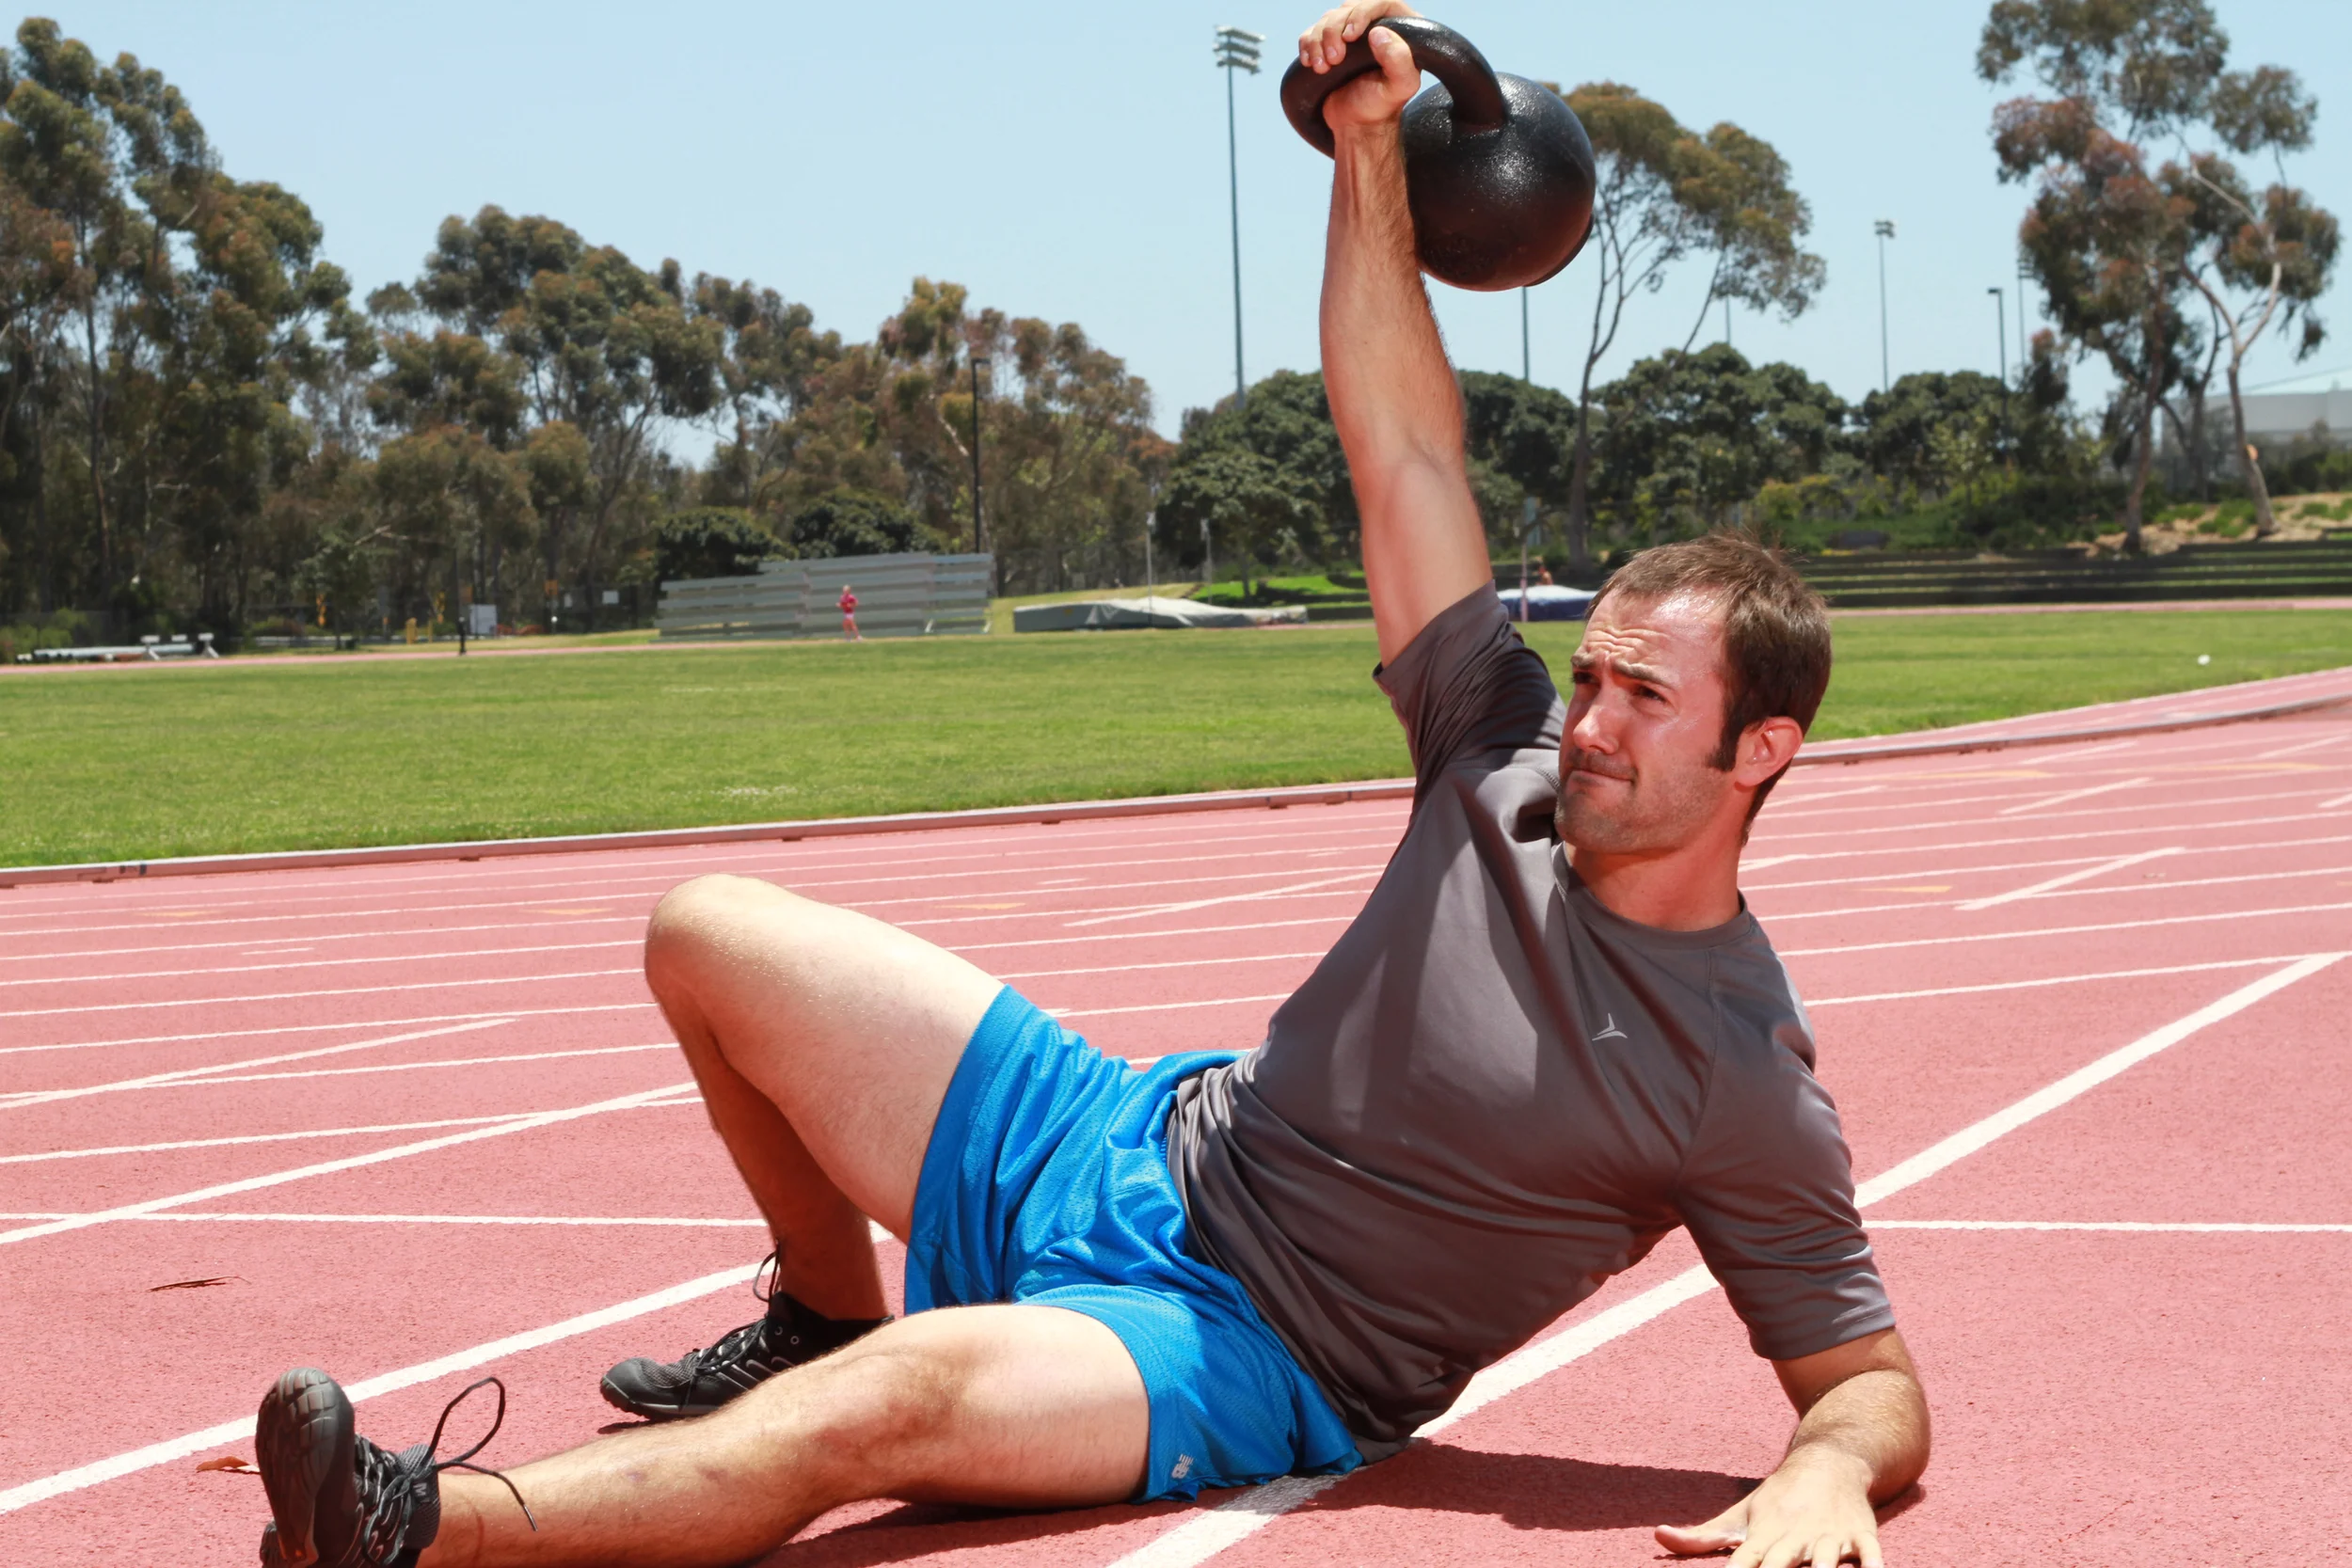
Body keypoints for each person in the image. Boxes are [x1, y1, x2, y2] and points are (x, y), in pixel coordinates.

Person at [245, 7, 1927, 1566]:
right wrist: (1365, 151)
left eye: (1646, 695)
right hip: (1122, 1135)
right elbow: (1404, 451)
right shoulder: (1495, 753)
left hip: (1240, 1342)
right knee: (706, 929)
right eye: (1593, 674)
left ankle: (413, 1524)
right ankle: (823, 1300)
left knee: (871, 1417)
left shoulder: (1734, 1070)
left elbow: (1867, 1379)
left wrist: (1832, 1468)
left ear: (1761, 750)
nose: (1594, 720)